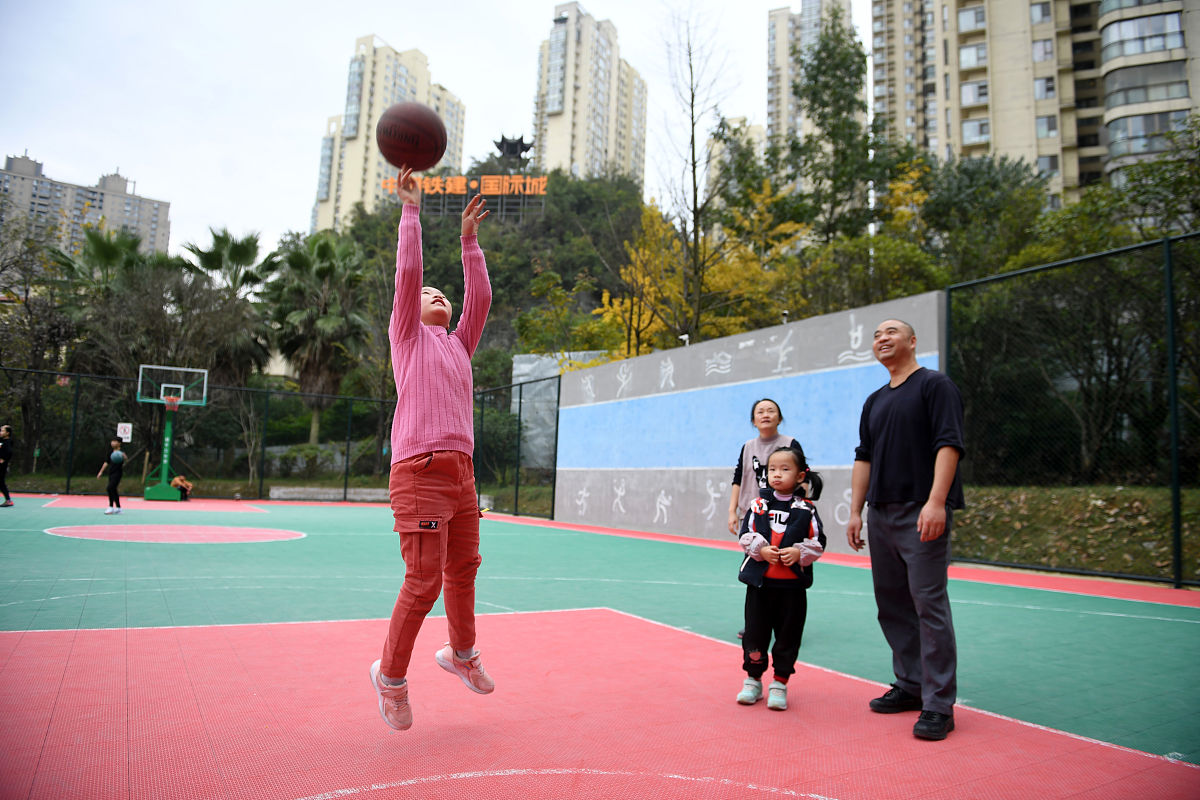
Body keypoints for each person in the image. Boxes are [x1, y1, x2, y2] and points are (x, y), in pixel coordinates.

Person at [369, 167, 493, 733]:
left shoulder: (459, 345)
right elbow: (408, 274)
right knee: (423, 582)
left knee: (463, 569)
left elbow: (482, 300)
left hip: (462, 474)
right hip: (418, 472)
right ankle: (390, 679)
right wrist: (412, 211)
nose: (433, 291)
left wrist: (469, 244)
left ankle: (461, 654)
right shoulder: (407, 336)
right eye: (426, 292)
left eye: (441, 292)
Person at [845, 319, 965, 741]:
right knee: (891, 604)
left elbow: (948, 444)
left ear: (912, 341)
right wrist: (856, 511)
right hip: (880, 514)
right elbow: (864, 458)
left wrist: (937, 502)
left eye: (891, 332)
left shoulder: (935, 386)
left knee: (928, 606)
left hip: (921, 511)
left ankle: (938, 705)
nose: (882, 338)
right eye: (877, 334)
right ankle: (911, 685)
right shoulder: (875, 400)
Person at [735, 445, 826, 711]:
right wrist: (760, 550)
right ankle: (752, 680)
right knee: (755, 634)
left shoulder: (806, 509)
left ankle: (780, 682)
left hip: (792, 589)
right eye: (772, 469)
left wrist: (799, 552)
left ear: (800, 476)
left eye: (785, 469)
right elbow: (746, 534)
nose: (777, 474)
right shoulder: (759, 505)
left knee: (789, 636)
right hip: (760, 587)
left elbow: (818, 541)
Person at [97, 438, 126, 515]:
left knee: (109, 488)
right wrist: (101, 472)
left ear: (119, 443)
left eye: (114, 441)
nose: (112, 443)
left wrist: (124, 457)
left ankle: (110, 507)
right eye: (112, 441)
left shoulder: (121, 453)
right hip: (111, 473)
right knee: (114, 490)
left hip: (118, 473)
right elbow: (106, 462)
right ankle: (119, 508)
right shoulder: (110, 452)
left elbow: (125, 461)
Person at [0, 425, 14, 507]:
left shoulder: (7, 442)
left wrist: (3, 459)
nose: (0, 432)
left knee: (1, 482)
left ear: (7, 433)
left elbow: (9, 452)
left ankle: (8, 500)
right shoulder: (1, 441)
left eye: (2, 431)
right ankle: (8, 500)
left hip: (2, 466)